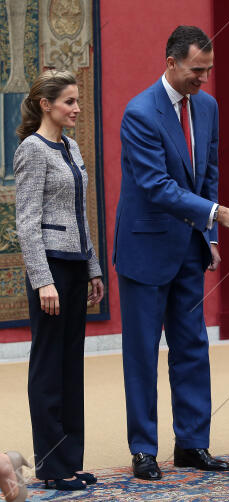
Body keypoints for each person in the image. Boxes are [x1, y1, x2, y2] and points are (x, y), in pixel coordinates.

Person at [113, 25, 229, 480]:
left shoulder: (207, 106)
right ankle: (144, 449)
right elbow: (156, 187)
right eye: (196, 70)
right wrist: (217, 213)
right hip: (145, 249)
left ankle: (192, 444)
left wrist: (209, 237)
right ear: (171, 63)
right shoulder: (140, 113)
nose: (203, 79)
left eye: (208, 71)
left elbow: (207, 170)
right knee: (143, 353)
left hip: (190, 247)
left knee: (192, 348)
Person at [13, 70, 105, 491]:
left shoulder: (71, 146)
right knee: (48, 368)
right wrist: (42, 280)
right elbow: (27, 222)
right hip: (49, 269)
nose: (77, 109)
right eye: (69, 101)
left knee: (71, 368)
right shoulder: (32, 150)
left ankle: (69, 460)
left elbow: (81, 214)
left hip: (74, 265)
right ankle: (51, 467)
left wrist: (93, 268)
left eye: (78, 100)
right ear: (46, 105)